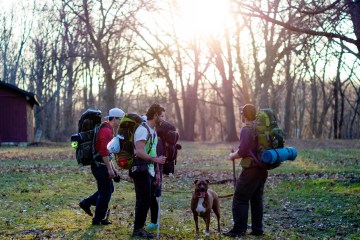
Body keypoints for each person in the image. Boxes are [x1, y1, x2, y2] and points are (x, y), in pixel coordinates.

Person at [224, 104, 268, 237]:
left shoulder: (246, 130)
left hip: (251, 170)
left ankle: (239, 230)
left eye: (242, 114)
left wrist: (232, 156)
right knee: (256, 199)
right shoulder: (261, 129)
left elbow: (243, 151)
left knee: (240, 198)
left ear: (244, 115)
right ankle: (257, 229)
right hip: (262, 169)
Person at [79, 108, 124, 225]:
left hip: (102, 164)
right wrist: (109, 169)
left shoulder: (108, 129)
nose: (120, 122)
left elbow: (109, 154)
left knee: (108, 190)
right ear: (114, 118)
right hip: (100, 166)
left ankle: (86, 203)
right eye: (120, 119)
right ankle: (97, 219)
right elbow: (103, 152)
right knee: (105, 193)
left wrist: (114, 170)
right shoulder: (105, 131)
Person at [131, 103, 167, 239]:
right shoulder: (142, 130)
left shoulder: (153, 131)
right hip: (140, 169)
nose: (163, 119)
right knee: (143, 201)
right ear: (156, 115)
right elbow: (139, 152)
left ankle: (140, 228)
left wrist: (157, 172)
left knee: (147, 200)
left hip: (150, 170)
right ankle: (137, 229)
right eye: (162, 116)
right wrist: (156, 160)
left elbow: (153, 152)